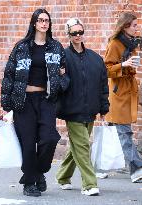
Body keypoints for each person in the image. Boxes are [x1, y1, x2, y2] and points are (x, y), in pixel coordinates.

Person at [1, 8, 69, 197]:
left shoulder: (56, 47)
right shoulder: (22, 47)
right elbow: (9, 75)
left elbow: (66, 76)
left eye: (46, 20)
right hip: (23, 101)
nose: (44, 23)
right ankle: (30, 182)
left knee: (50, 138)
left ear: (49, 24)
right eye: (40, 20)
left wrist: (60, 84)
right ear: (34, 23)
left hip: (46, 100)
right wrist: (6, 103)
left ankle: (38, 171)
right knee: (28, 144)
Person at [56, 18, 109, 196]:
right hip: (72, 110)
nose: (78, 36)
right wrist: (62, 75)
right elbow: (59, 85)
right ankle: (90, 184)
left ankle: (63, 176)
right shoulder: (63, 57)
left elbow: (103, 85)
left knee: (77, 146)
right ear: (68, 35)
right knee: (83, 145)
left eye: (80, 32)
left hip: (91, 110)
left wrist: (104, 108)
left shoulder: (95, 58)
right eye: (74, 33)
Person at [104, 11, 142, 183]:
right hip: (119, 92)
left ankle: (99, 165)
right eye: (134, 25)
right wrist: (123, 64)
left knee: (116, 130)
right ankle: (137, 168)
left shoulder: (132, 43)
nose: (137, 27)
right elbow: (106, 70)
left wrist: (131, 65)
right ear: (126, 26)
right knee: (124, 132)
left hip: (131, 88)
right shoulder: (115, 43)